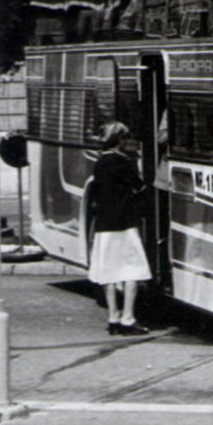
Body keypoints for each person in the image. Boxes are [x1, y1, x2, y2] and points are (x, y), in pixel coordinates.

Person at [87, 121, 152, 335]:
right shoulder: (123, 162)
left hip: (104, 225)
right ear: (120, 140)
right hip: (124, 223)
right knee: (132, 269)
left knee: (109, 271)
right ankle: (128, 317)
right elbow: (139, 186)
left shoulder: (99, 163)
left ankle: (113, 316)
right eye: (125, 138)